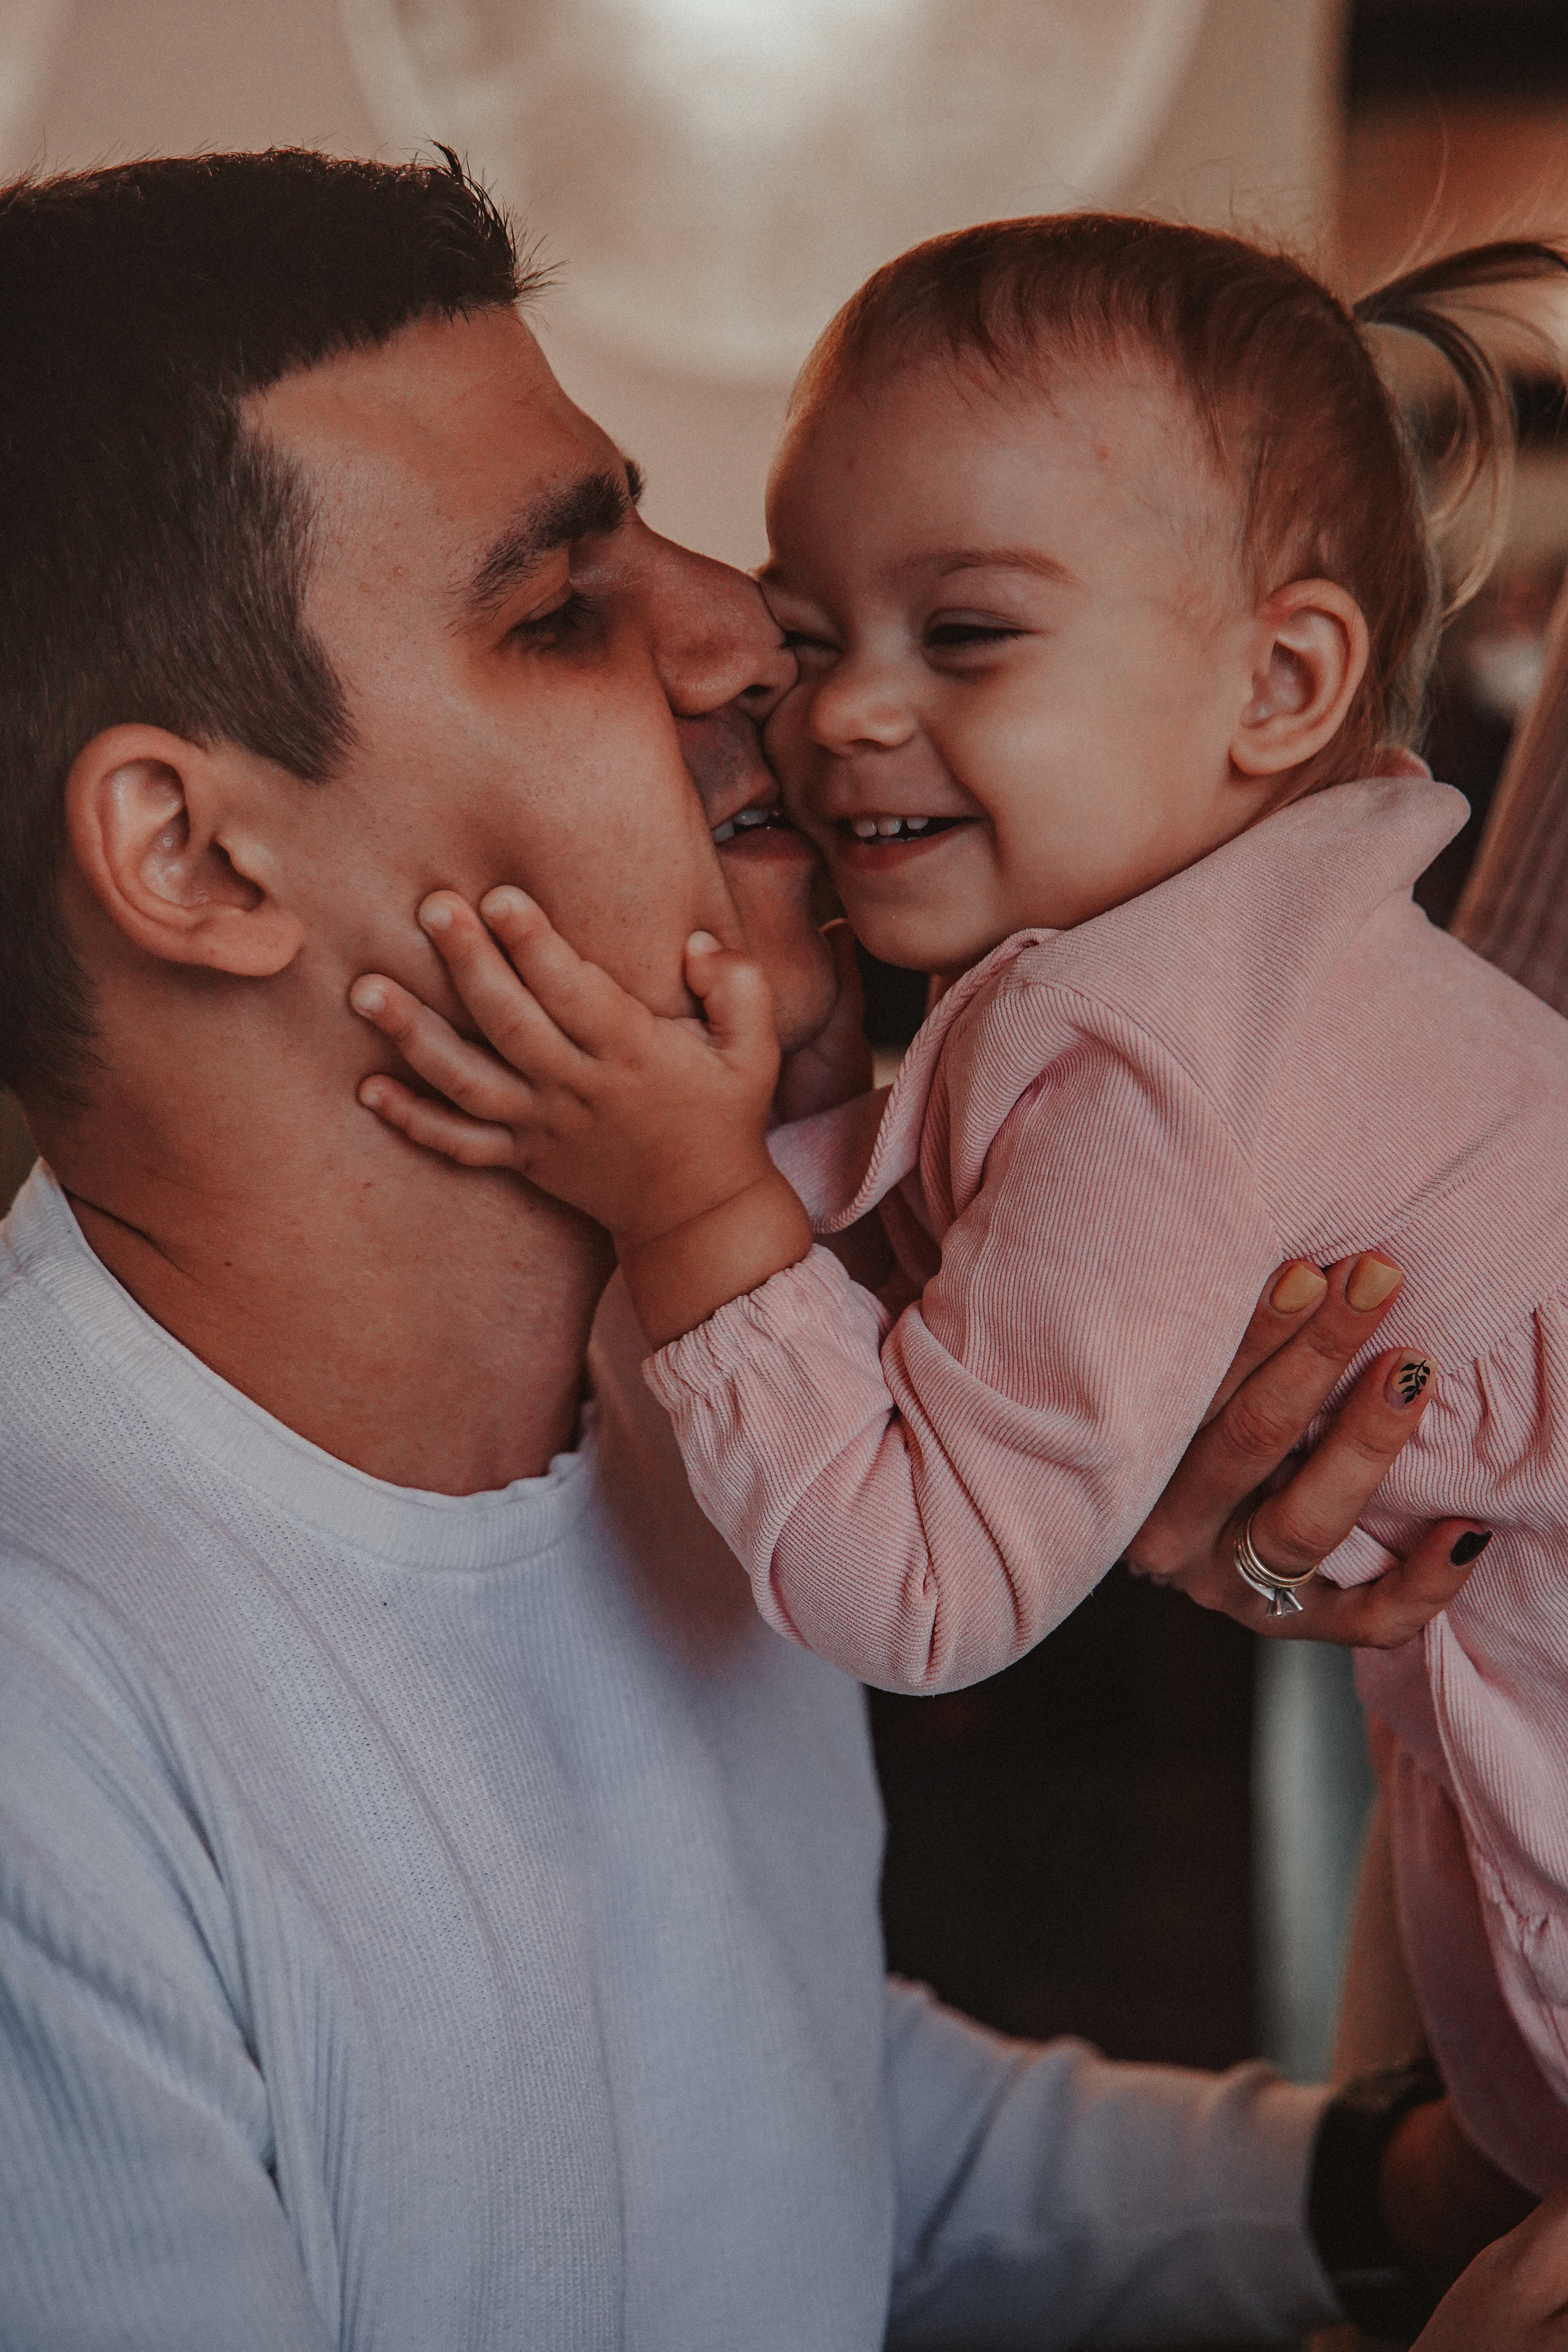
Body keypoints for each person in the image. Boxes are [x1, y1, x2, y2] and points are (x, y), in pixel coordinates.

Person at [0, 153, 1529, 2349]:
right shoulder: (47, 1736)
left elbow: (790, 2129)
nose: (752, 640)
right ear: (194, 855)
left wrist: (1414, 2188)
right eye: (558, 603)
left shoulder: (714, 1392)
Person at [350, 213, 1568, 2219]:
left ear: (1283, 679)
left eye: (970, 635)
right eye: (819, 632)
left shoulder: (1153, 1060)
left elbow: (924, 1594)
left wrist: (691, 1196)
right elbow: (952, 1247)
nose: (831, 713)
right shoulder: (1234, 961)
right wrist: (787, 1132)